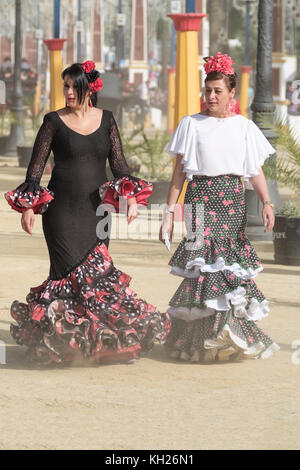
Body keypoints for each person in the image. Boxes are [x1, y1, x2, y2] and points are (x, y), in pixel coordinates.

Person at [5, 60, 170, 365]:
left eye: (72, 85)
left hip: (98, 212)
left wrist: (131, 200)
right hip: (61, 213)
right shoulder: (53, 121)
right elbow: (36, 169)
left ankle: (96, 343)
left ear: (87, 87)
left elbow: (119, 165)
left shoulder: (107, 119)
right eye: (64, 85)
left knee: (97, 278)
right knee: (67, 275)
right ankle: (65, 344)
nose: (67, 91)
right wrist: (28, 208)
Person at [159, 52, 280, 363]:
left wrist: (267, 202)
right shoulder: (191, 124)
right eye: (207, 90)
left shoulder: (243, 127)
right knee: (204, 268)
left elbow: (254, 171)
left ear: (231, 94)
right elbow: (179, 173)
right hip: (199, 201)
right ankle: (205, 337)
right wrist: (169, 213)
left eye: (217, 91)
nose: (211, 96)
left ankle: (226, 330)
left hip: (232, 202)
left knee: (227, 269)